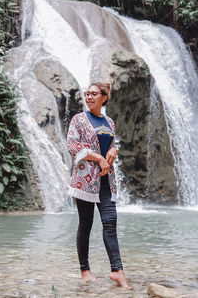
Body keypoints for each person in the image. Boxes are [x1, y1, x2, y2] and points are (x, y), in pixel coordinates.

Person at [67, 82, 132, 289]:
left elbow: (111, 144)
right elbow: (73, 145)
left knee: (110, 222)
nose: (89, 97)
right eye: (87, 94)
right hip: (85, 180)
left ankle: (117, 271)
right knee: (85, 224)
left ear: (104, 97)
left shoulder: (109, 121)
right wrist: (99, 158)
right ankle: (85, 271)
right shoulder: (78, 120)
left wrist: (113, 152)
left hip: (106, 180)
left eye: (94, 94)